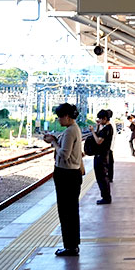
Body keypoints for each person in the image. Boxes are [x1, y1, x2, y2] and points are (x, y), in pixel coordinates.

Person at [42, 103, 85, 256]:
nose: (59, 120)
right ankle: (73, 245)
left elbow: (64, 154)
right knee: (72, 211)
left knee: (66, 211)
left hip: (66, 175)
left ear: (67, 116)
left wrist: (53, 143)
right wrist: (55, 139)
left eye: (60, 117)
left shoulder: (70, 131)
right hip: (73, 174)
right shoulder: (75, 129)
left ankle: (70, 246)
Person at [91, 109, 115, 204]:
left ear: (105, 118)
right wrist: (97, 127)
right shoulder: (108, 128)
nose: (99, 121)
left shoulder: (106, 129)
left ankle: (106, 197)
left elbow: (98, 141)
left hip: (101, 156)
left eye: (100, 119)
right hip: (104, 155)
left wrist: (92, 131)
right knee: (102, 177)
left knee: (101, 177)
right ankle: (105, 196)